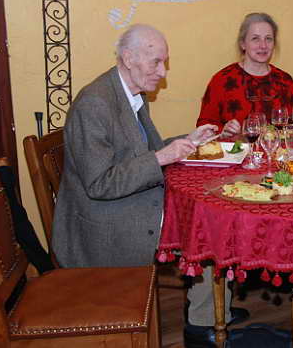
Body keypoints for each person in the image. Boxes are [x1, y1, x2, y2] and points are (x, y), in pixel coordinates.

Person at [51, 24, 243, 348]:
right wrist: (162, 157)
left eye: (164, 62)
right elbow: (100, 183)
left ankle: (204, 319)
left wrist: (187, 140)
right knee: (208, 229)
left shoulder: (131, 95)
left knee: (209, 221)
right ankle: (203, 326)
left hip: (121, 207)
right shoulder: (95, 103)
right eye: (156, 62)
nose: (163, 72)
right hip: (104, 228)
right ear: (128, 58)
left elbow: (147, 153)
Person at [197, 12, 293, 136]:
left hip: (277, 154)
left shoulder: (285, 81)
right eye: (255, 39)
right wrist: (222, 132)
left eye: (268, 39)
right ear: (242, 44)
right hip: (234, 154)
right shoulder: (222, 80)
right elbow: (203, 127)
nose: (263, 45)